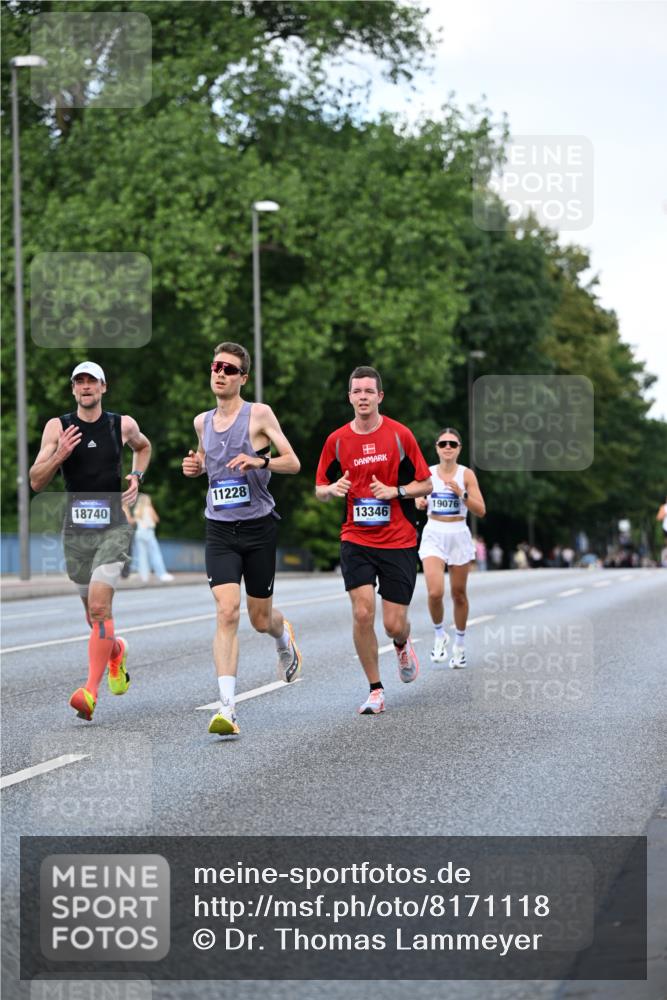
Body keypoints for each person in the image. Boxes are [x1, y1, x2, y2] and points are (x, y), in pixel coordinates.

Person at [182, 342, 302, 737]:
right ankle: (227, 708)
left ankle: (283, 636)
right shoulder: (201, 422)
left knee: (260, 618)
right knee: (227, 611)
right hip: (219, 528)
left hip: (258, 527)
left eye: (229, 369)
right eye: (216, 366)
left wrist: (260, 460)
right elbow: (206, 465)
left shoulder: (259, 415)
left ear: (242, 378)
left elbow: (293, 462)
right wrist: (194, 467)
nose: (220, 373)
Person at [29, 361, 151, 721]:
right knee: (92, 616)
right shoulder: (58, 426)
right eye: (79, 382)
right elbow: (36, 480)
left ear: (103, 387)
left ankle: (90, 692)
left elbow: (142, 448)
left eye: (91, 382)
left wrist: (136, 475)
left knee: (100, 608)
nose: (85, 387)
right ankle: (116, 652)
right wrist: (59, 455)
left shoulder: (121, 424)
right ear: (73, 389)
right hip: (76, 533)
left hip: (114, 528)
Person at [315, 365, 432, 715]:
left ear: (379, 396)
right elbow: (319, 488)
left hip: (398, 539)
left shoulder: (400, 435)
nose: (363, 397)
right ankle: (375, 689)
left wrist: (395, 491)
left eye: (369, 391)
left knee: (393, 622)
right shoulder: (336, 440)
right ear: (349, 397)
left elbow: (426, 484)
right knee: (362, 611)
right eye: (357, 391)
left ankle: (401, 642)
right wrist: (332, 490)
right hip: (356, 537)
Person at [415, 428, 486, 669]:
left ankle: (460, 644)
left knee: (458, 594)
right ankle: (439, 635)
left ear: (459, 449)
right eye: (443, 443)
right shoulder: (428, 473)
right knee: (435, 592)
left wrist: (462, 494)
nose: (447, 447)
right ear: (436, 447)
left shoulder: (466, 475)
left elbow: (481, 509)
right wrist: (419, 501)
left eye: (452, 444)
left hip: (458, 534)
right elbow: (415, 495)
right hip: (434, 532)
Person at [129, 493, 174, 583]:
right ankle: (162, 574)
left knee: (142, 556)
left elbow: (133, 521)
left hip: (139, 533)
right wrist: (152, 508)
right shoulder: (149, 508)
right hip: (148, 533)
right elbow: (156, 519)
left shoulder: (137, 510)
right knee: (155, 554)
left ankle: (144, 576)